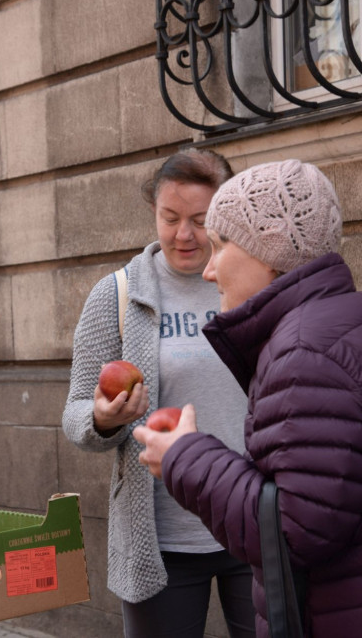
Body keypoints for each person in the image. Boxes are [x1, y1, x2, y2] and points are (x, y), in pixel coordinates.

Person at [134, 159, 362, 637]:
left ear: (268, 250)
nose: (210, 270)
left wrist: (185, 458)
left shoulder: (304, 352)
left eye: (220, 245)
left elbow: (294, 533)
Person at [62, 149, 256, 637]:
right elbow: (76, 412)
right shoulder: (118, 295)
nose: (183, 234)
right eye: (170, 218)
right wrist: (104, 418)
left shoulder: (253, 283)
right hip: (164, 537)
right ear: (154, 211)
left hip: (253, 517)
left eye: (200, 221)